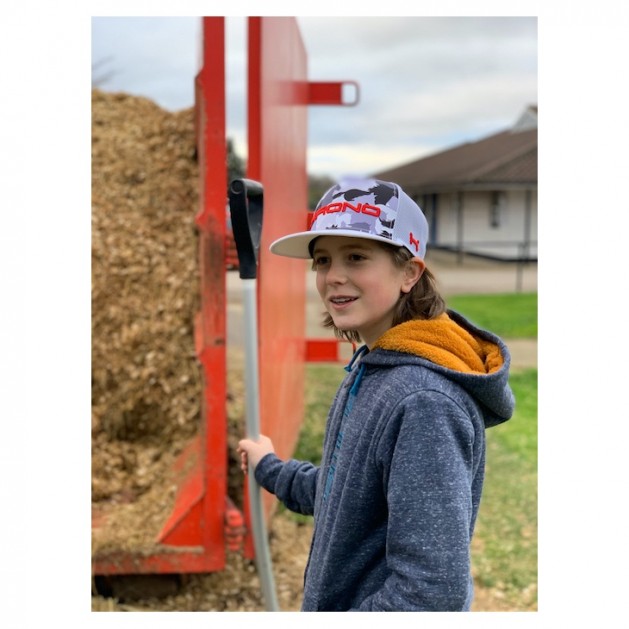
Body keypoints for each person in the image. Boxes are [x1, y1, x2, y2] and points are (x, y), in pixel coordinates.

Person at [237, 177, 515, 611]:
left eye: (357, 257)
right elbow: (344, 491)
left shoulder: (423, 402)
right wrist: (270, 468)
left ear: (410, 272)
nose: (333, 277)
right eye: (322, 260)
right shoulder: (374, 366)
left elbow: (429, 595)